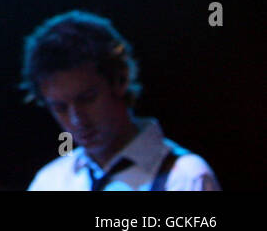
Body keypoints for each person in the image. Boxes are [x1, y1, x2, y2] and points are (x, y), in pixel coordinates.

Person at [22, 10, 220, 191]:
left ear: (120, 80)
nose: (76, 119)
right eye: (60, 107)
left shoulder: (185, 177)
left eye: (87, 99)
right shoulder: (50, 182)